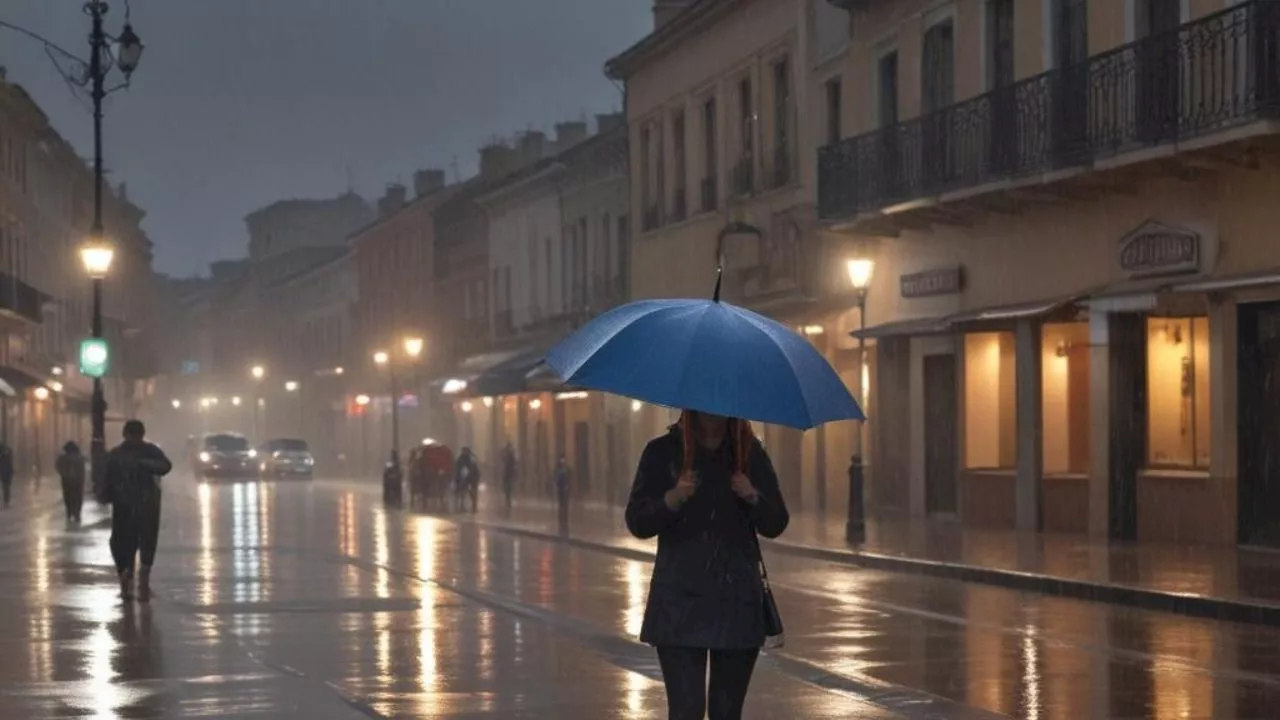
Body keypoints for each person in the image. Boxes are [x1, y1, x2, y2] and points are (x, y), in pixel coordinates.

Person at [625, 411, 789, 720]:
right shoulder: (663, 452)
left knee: (726, 712)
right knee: (686, 710)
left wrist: (752, 494)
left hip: (736, 600)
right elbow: (637, 521)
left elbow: (777, 521)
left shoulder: (749, 454)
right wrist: (672, 498)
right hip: (679, 603)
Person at [101, 420, 173, 602]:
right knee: (145, 540)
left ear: (125, 433)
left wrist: (106, 495)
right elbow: (165, 466)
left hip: (126, 505)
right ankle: (140, 578)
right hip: (145, 504)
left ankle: (127, 576)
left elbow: (105, 479)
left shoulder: (116, 454)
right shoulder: (148, 451)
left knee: (123, 541)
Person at [56, 441, 87, 524]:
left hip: (66, 480)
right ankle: (77, 513)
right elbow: (83, 468)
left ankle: (69, 512)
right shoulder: (79, 457)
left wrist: (64, 474)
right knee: (78, 497)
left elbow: (58, 467)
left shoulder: (62, 458)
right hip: (78, 481)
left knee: (68, 496)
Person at [454, 447, 480, 513]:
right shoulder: (462, 459)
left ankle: (473, 506)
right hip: (466, 478)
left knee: (471, 493)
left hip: (471, 478)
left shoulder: (468, 459)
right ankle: (463, 505)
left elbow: (475, 468)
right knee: (463, 493)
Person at [500, 442, 517, 509]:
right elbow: (502, 460)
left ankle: (509, 501)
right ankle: (507, 500)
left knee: (510, 488)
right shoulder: (506, 455)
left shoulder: (513, 455)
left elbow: (515, 463)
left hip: (511, 474)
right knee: (507, 489)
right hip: (507, 474)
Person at [0, 443, 12, 508]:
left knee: (6, 488)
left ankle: (6, 501)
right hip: (5, 475)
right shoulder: (5, 457)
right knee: (6, 488)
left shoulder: (4, 457)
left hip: (5, 475)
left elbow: (7, 466)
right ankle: (6, 501)